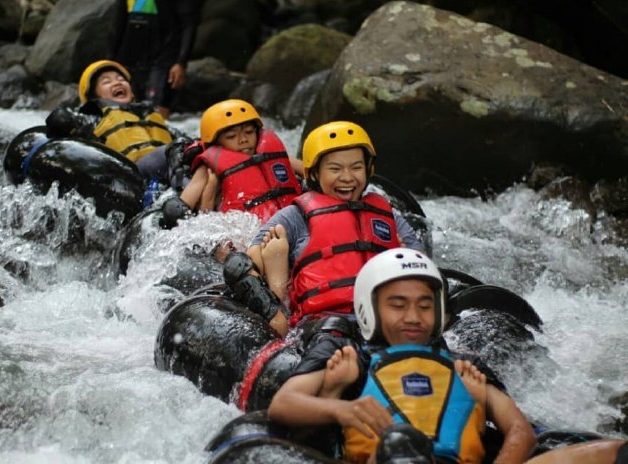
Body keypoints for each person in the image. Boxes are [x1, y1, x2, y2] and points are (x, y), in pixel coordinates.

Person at [268, 248, 626, 464]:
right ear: (369, 309)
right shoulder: (350, 359)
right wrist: (338, 403)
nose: (413, 317)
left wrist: (477, 401)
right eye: (398, 305)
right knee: (400, 444)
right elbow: (283, 405)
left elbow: (520, 432)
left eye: (425, 306)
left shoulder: (463, 367)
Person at [222, 121, 425, 337]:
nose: (347, 177)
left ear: (368, 170)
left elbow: (423, 269)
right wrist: (271, 311)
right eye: (335, 169)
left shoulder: (388, 215)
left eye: (356, 167)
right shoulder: (296, 216)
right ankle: (278, 285)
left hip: (385, 316)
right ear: (316, 174)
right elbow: (246, 261)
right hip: (324, 321)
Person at [45, 60, 190, 188]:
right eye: (106, 81)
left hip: (166, 167)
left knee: (188, 149)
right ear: (94, 96)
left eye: (121, 79)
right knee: (175, 151)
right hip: (133, 174)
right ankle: (186, 198)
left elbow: (186, 143)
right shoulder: (95, 119)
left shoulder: (151, 115)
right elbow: (59, 120)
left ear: (132, 92)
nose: (117, 82)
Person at [160, 99, 303, 228]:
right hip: (238, 229)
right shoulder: (209, 167)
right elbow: (189, 212)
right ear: (215, 143)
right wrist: (211, 186)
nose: (243, 140)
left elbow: (310, 171)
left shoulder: (271, 156)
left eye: (248, 132)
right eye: (231, 136)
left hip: (285, 223)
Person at [108, 0, 197, 119]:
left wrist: (181, 62)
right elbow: (118, 22)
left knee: (156, 116)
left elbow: (189, 24)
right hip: (130, 58)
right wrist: (110, 60)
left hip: (164, 60)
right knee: (126, 115)